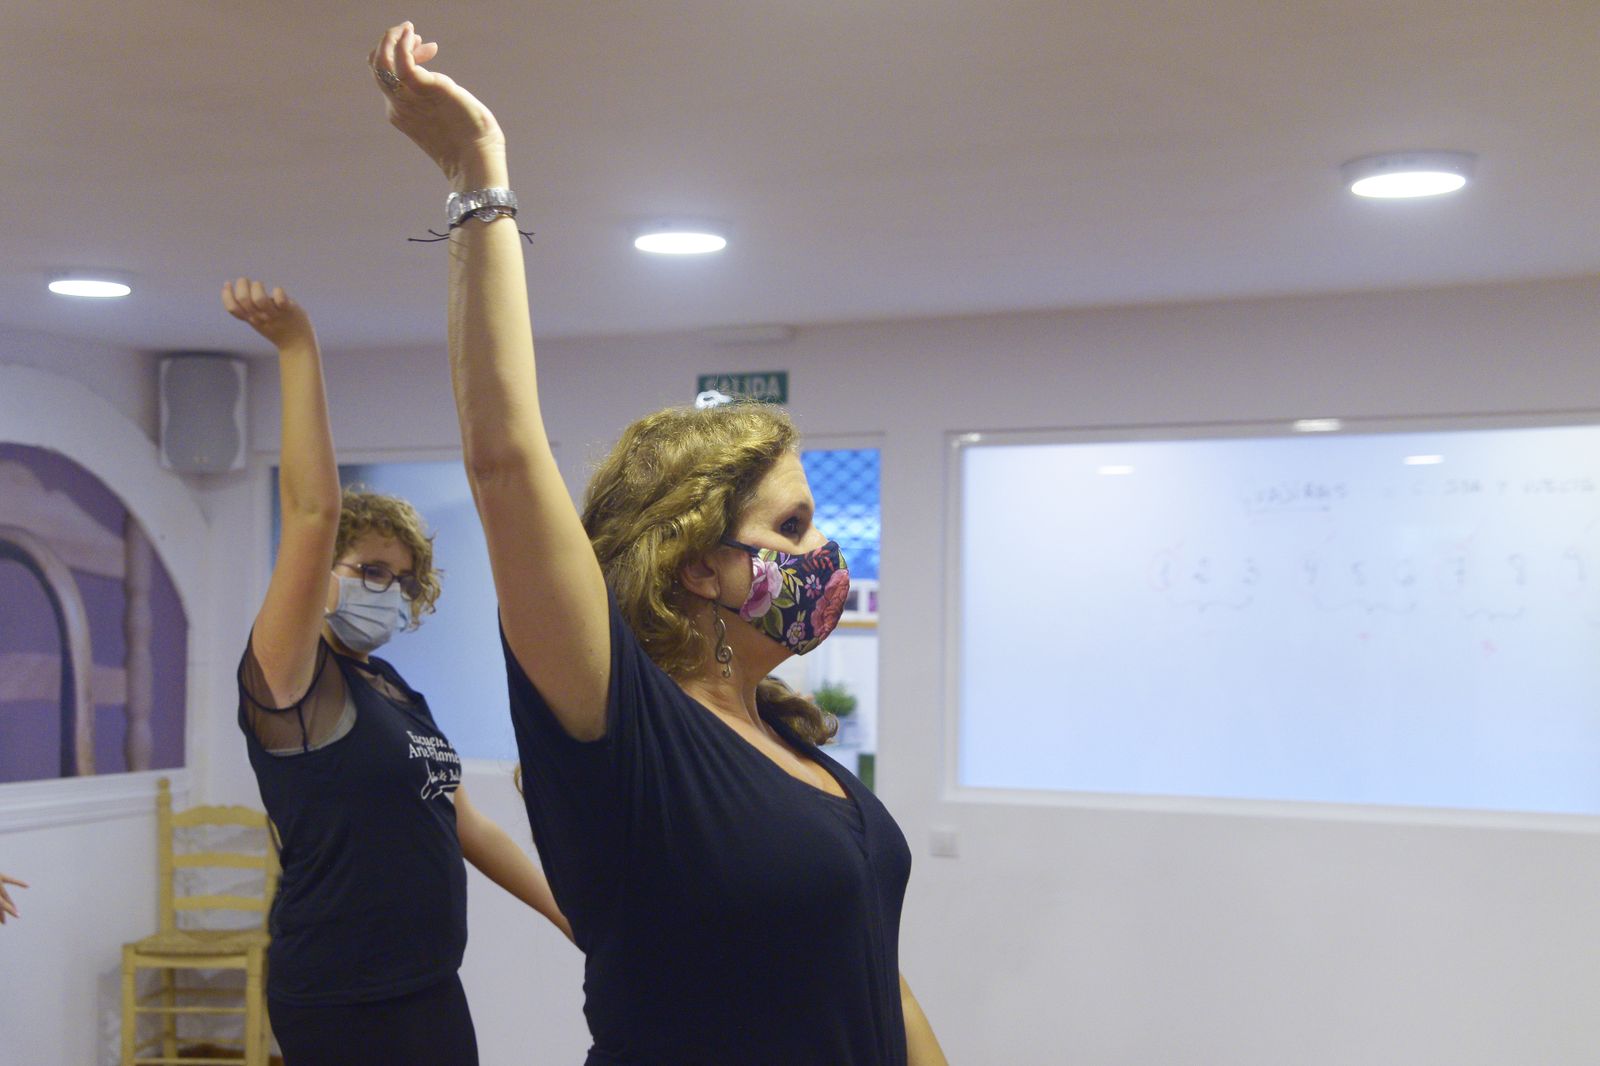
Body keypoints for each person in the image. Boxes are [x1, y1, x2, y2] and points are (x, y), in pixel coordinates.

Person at [369, 24, 948, 1065]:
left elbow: (865, 967)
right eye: (792, 528)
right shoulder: (627, 736)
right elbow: (504, 461)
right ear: (696, 565)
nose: (826, 556)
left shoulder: (785, 740)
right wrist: (477, 177)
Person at [224, 278, 569, 1066]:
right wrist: (297, 346)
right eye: (368, 568)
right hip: (340, 994)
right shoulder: (288, 680)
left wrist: (571, 916)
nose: (386, 590)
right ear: (323, 576)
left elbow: (463, 821)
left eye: (400, 577)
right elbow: (312, 513)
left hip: (427, 982)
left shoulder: (392, 690)